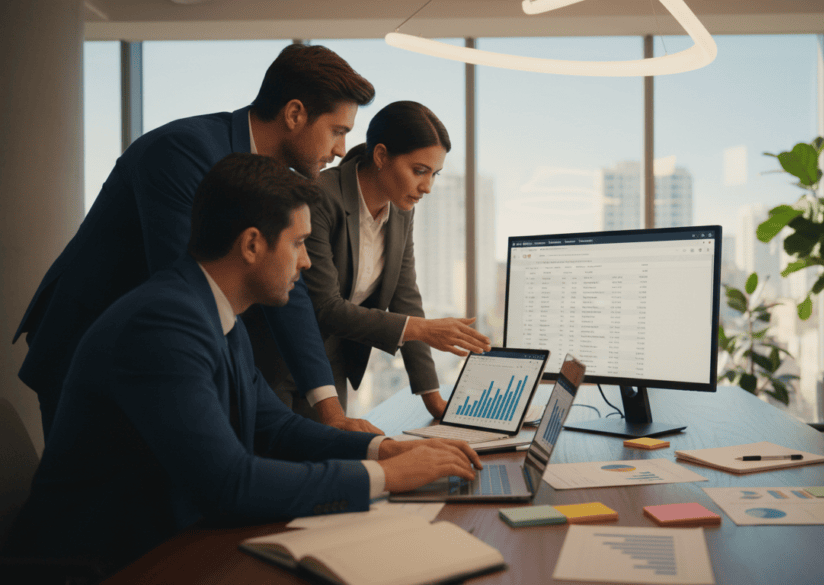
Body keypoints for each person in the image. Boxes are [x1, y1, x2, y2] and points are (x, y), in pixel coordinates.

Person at [4, 154, 482, 579]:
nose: (306, 264)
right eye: (298, 244)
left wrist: (382, 450)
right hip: (107, 562)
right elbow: (230, 484)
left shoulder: (212, 310)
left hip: (171, 540)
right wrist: (388, 479)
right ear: (252, 245)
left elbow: (276, 430)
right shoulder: (163, 323)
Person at [12, 43, 381, 440]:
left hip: (156, 343)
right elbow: (198, 288)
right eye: (338, 131)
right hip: (89, 341)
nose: (341, 149)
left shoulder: (268, 177)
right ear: (294, 114)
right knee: (96, 496)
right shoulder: (184, 151)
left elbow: (291, 294)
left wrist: (329, 410)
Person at [296, 101, 491, 419]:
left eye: (434, 174)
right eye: (419, 171)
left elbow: (406, 299)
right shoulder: (320, 197)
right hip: (282, 366)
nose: (427, 187)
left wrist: (434, 400)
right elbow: (324, 307)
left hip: (331, 365)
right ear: (381, 156)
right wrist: (422, 329)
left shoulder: (402, 213)